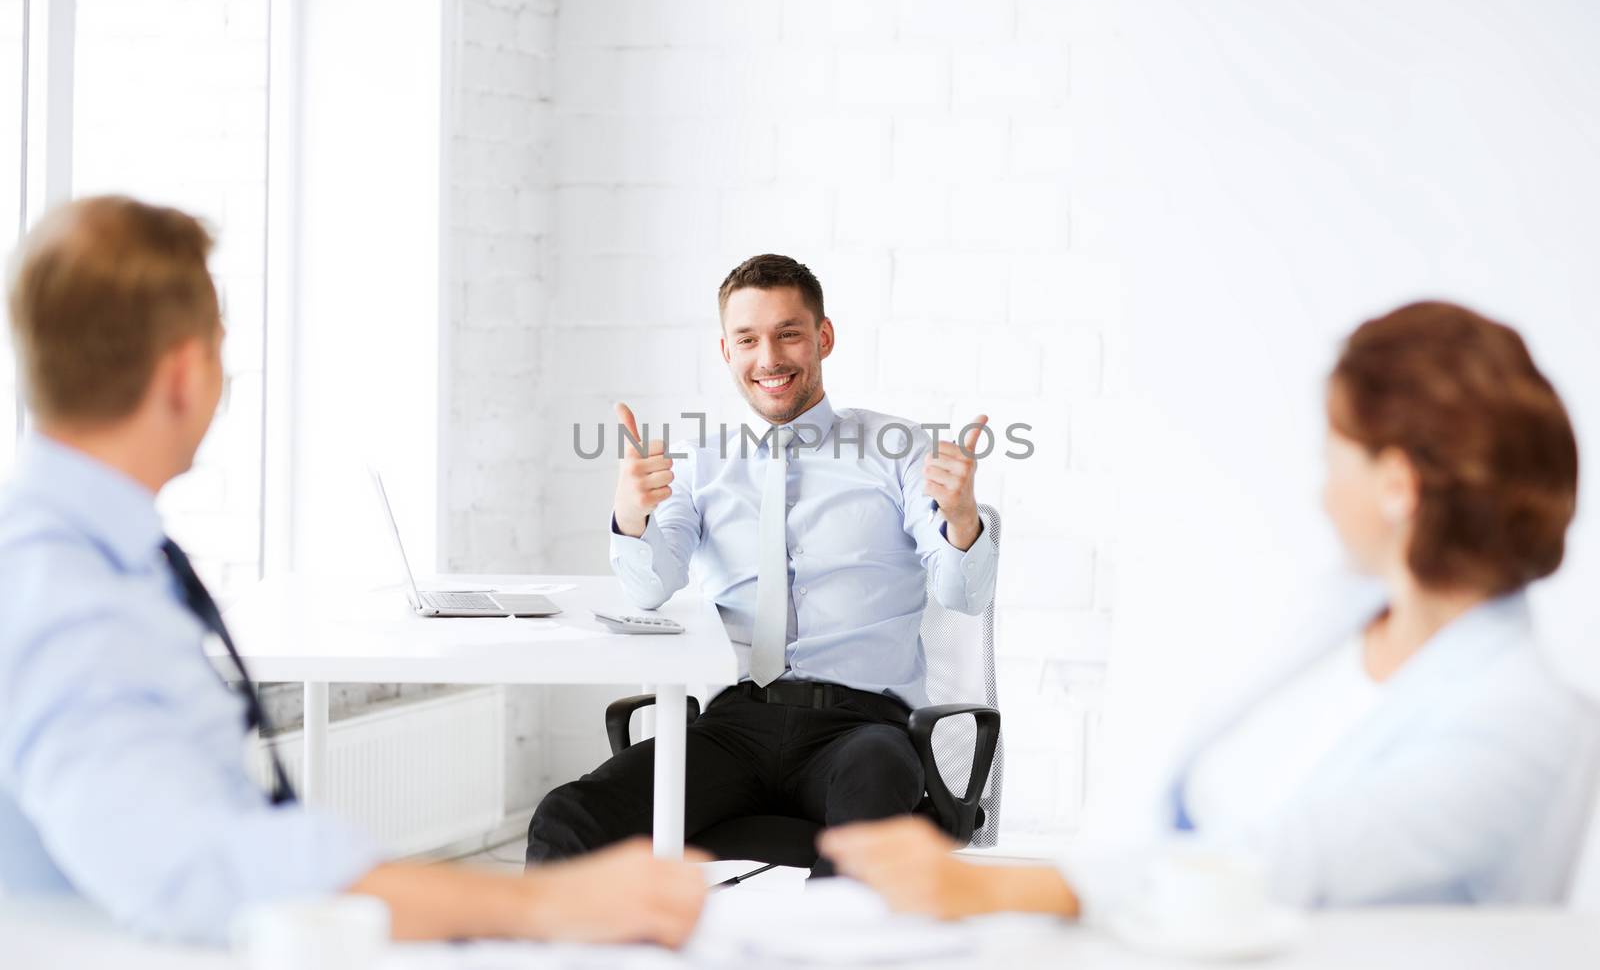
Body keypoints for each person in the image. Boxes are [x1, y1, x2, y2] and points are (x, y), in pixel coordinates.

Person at [0, 196, 707, 946]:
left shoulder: (102, 554)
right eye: (219, 347)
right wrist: (541, 904)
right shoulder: (62, 593)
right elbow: (191, 866)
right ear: (183, 374)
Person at [821, 300, 1596, 918]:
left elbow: (1279, 865)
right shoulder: (1341, 612)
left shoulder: (1523, 719)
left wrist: (1001, 888)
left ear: (1397, 485)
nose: (1321, 489)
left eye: (1336, 457)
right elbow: (1171, 789)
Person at [525, 254, 998, 869]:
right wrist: (631, 516)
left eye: (788, 334)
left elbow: (963, 595)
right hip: (733, 728)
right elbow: (649, 585)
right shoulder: (701, 463)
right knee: (568, 818)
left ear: (823, 338)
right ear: (726, 351)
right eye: (748, 339)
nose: (768, 358)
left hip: (860, 728)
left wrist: (962, 520)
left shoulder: (900, 451)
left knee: (871, 815)